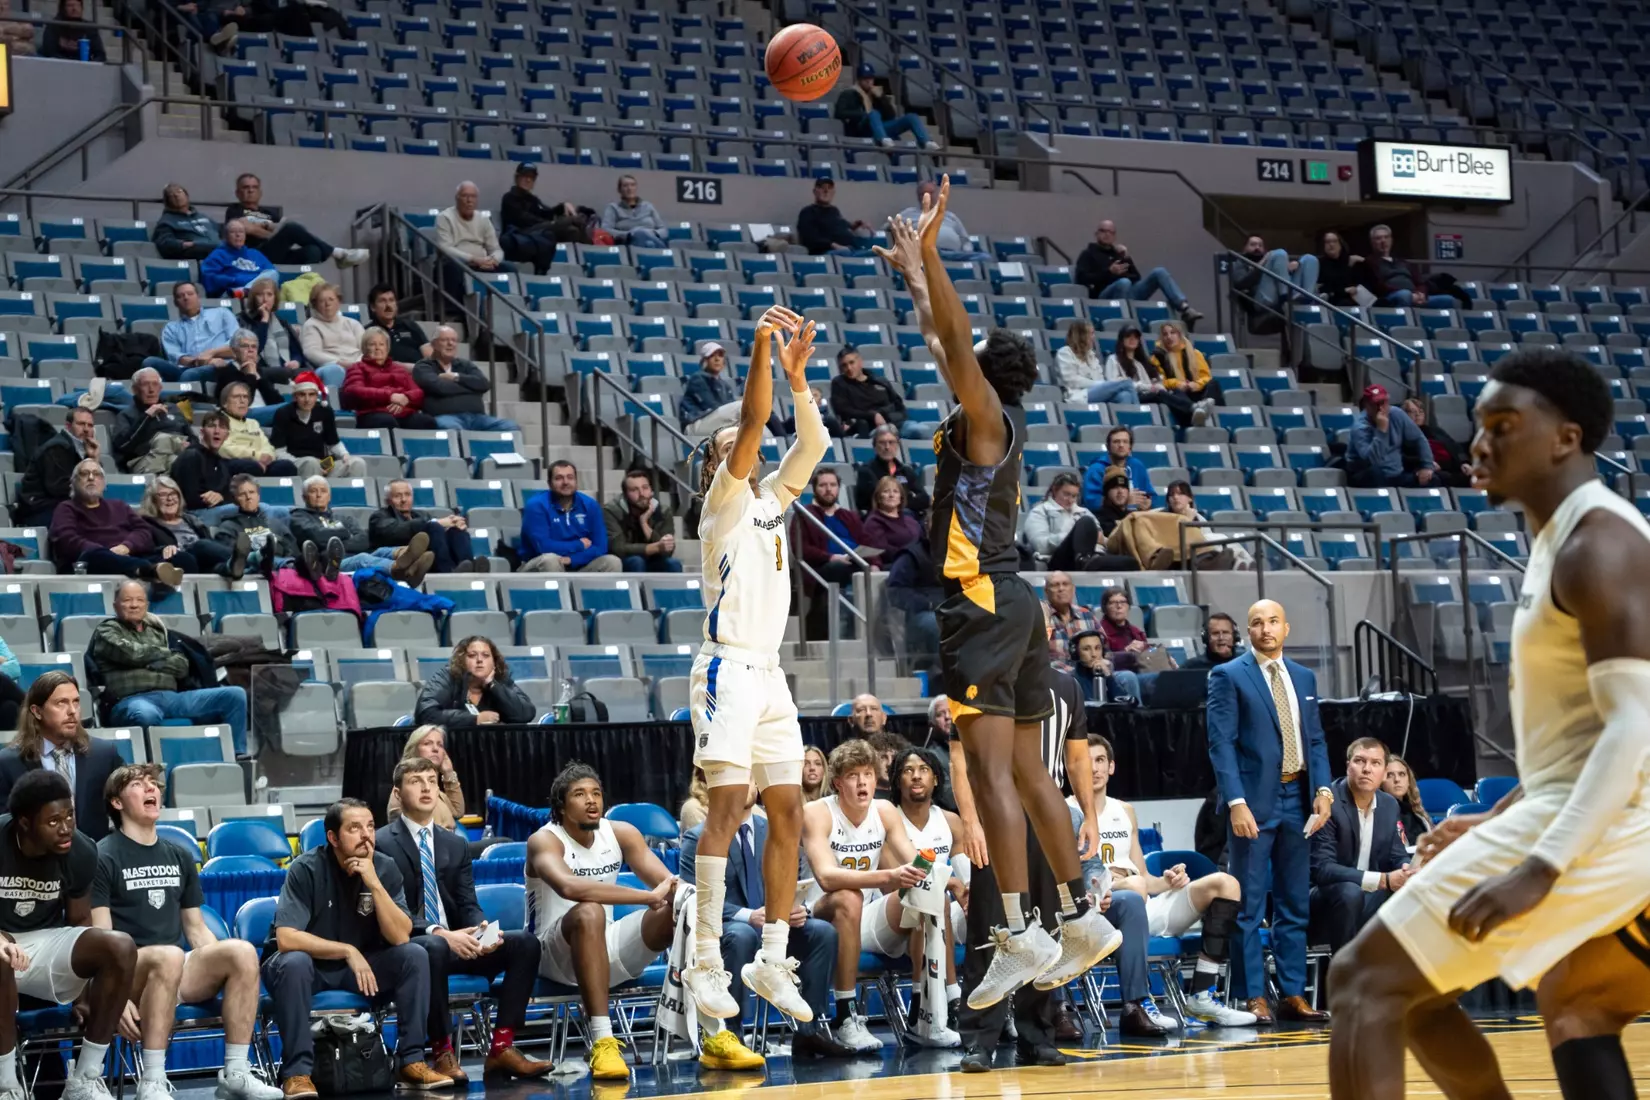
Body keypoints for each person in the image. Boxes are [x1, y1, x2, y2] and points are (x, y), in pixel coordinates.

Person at [1328, 349, 1650, 1100]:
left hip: (1613, 825)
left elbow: (1634, 727)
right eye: (1477, 426)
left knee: (1362, 984)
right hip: (1581, 810)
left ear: (1566, 438)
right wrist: (1493, 818)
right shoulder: (1560, 541)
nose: (1480, 443)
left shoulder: (1598, 543)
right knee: (1421, 996)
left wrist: (1540, 866)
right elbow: (1578, 738)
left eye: (1504, 425)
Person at [873, 183, 1117, 1009]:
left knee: (994, 773)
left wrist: (935, 256)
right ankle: (1079, 916)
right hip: (1013, 603)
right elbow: (947, 345)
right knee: (1026, 769)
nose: (957, 363)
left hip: (980, 601)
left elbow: (956, 353)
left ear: (992, 374)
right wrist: (916, 276)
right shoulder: (989, 419)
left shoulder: (988, 421)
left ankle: (1018, 931)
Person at [677, 305, 825, 1028]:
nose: (744, 442)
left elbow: (814, 439)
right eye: (730, 442)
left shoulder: (771, 500)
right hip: (726, 669)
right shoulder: (724, 502)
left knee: (789, 810)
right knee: (729, 810)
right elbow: (759, 422)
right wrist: (764, 345)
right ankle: (705, 956)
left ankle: (770, 953)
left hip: (769, 675)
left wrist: (800, 381)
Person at [90, 764, 283, 1100]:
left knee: (240, 951)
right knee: (168, 956)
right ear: (117, 803)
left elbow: (196, 929)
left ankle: (236, 1072)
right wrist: (113, 998)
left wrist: (223, 967)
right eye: (138, 784)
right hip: (128, 973)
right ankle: (151, 1081)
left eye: (154, 783)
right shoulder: (102, 855)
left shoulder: (178, 855)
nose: (151, 789)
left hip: (174, 967)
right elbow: (100, 938)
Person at [948, 668, 1102, 1070]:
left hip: (1048, 815)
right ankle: (979, 1039)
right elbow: (960, 757)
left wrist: (1089, 815)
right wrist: (970, 821)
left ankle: (1037, 1035)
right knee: (991, 926)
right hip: (996, 813)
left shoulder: (1067, 686)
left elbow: (1077, 755)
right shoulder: (978, 678)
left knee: (1050, 926)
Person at [262, 799, 454, 1097]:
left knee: (415, 954)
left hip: (363, 970)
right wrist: (348, 952)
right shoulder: (306, 868)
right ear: (333, 838)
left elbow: (401, 936)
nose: (366, 835)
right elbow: (287, 938)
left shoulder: (384, 867)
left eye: (370, 827)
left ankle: (410, 1061)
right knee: (294, 961)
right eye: (354, 828)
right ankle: (297, 1073)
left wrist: (374, 883)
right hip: (308, 968)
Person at [378, 758, 551, 1084]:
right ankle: (442, 1050)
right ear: (398, 794)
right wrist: (443, 934)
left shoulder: (454, 844)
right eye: (417, 781)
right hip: (412, 948)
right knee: (432, 948)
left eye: (432, 780)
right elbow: (392, 912)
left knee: (524, 943)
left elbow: (467, 903)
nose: (427, 787)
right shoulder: (381, 844)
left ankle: (502, 1047)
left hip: (459, 942)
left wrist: (483, 930)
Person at [1206, 599, 1334, 1025]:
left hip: (1299, 797)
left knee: (1295, 902)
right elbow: (1220, 743)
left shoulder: (1303, 676)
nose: (1266, 629)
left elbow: (1314, 739)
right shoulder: (1228, 675)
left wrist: (1323, 790)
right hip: (1254, 804)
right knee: (1249, 904)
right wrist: (1236, 802)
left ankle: (1293, 994)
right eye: (1257, 623)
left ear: (1287, 628)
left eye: (1273, 621)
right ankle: (1252, 995)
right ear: (1248, 631)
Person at [526, 764, 697, 1080]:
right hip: (553, 956)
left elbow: (669, 886)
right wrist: (647, 897)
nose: (591, 801)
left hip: (605, 948)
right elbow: (570, 888)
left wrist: (689, 896)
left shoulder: (621, 832)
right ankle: (603, 1041)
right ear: (561, 806)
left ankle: (707, 1029)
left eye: (596, 793)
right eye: (580, 794)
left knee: (681, 905)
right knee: (589, 911)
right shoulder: (545, 840)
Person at [1083, 734, 1258, 1026]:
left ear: (1112, 767)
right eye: (1086, 762)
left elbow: (1144, 878)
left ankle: (1202, 994)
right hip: (1098, 910)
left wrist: (1167, 881)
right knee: (1132, 892)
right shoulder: (1067, 809)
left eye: (1100, 760)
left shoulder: (1124, 810)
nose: (1095, 769)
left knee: (1226, 883)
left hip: (1139, 903)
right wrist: (1118, 883)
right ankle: (1139, 1002)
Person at [680, 782, 850, 1059]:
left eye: (750, 777)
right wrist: (750, 916)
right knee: (742, 934)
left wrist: (799, 908)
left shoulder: (774, 832)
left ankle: (809, 1030)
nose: (744, 784)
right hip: (726, 930)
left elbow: (794, 882)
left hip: (774, 928)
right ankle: (730, 1033)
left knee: (822, 932)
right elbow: (694, 897)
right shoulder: (697, 837)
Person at [0, 768, 134, 1100]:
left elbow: (78, 923)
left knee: (119, 946)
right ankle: (7, 1084)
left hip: (43, 942)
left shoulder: (81, 850)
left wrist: (84, 992)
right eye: (53, 821)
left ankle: (85, 1077)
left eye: (70, 815)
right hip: (2, 940)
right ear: (25, 823)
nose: (66, 828)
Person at [799, 739, 927, 1053]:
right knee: (848, 895)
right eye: (854, 775)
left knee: (920, 897)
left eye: (868, 774)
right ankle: (845, 1016)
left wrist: (931, 872)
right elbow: (827, 878)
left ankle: (924, 1011)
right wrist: (889, 876)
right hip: (817, 915)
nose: (862, 782)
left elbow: (915, 860)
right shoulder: (816, 813)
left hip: (864, 917)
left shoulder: (884, 811)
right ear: (838, 783)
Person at [92, 581, 250, 756]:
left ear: (147, 605)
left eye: (139, 600)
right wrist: (162, 655)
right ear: (115, 605)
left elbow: (182, 665)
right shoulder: (106, 631)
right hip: (131, 701)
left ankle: (237, 756)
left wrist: (149, 659)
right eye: (127, 600)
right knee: (145, 714)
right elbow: (129, 653)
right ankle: (153, 764)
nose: (134, 605)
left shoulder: (158, 631)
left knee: (234, 695)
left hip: (172, 699)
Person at [879, 747, 969, 1045]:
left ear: (935, 779)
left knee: (988, 908)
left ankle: (999, 1009)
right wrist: (950, 885)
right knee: (928, 899)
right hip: (896, 914)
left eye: (923, 769)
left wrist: (971, 896)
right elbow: (895, 886)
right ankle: (951, 998)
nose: (916, 775)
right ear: (897, 780)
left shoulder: (950, 821)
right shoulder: (888, 820)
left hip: (939, 915)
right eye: (907, 770)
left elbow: (965, 880)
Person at [1310, 737, 1412, 955]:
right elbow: (1322, 869)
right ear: (1348, 766)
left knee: (1413, 893)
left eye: (1375, 763)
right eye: (1359, 761)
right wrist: (1383, 880)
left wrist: (1407, 870)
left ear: (1384, 773)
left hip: (1368, 897)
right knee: (1351, 892)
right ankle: (1345, 976)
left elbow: (1397, 855)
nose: (1367, 769)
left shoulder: (1389, 805)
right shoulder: (1328, 803)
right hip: (1323, 901)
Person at [0, 672, 125, 841]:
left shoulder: (104, 754)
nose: (72, 711)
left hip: (94, 859)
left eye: (76, 702)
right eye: (61, 703)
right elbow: (6, 828)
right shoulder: (8, 762)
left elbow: (124, 810)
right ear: (37, 712)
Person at [50, 460, 186, 586]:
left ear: (104, 484)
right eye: (84, 474)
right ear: (73, 483)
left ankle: (158, 577)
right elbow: (67, 540)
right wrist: (108, 553)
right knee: (92, 555)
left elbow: (144, 530)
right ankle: (148, 570)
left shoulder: (119, 506)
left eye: (97, 474)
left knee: (182, 558)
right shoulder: (66, 508)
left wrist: (126, 546)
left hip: (129, 555)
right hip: (94, 562)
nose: (91, 478)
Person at [224, 172, 368, 269]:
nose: (250, 190)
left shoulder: (269, 212)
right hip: (255, 257)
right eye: (246, 187)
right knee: (291, 229)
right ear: (238, 192)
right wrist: (273, 230)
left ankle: (302, 286)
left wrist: (264, 228)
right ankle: (337, 254)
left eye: (254, 187)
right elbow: (247, 228)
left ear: (260, 192)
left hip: (277, 255)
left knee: (313, 251)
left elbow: (280, 228)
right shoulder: (234, 210)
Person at [1073, 219, 1202, 326]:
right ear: (1096, 234)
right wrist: (1109, 272)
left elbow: (1136, 278)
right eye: (1103, 231)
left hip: (1129, 293)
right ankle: (1125, 321)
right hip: (1104, 297)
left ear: (1114, 236)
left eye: (1110, 232)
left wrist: (1127, 258)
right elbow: (1082, 278)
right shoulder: (1088, 254)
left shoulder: (1118, 254)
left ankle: (1184, 308)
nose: (1107, 234)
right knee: (1123, 282)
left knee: (1159, 272)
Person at [291, 476, 422, 578]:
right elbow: (316, 537)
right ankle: (399, 570)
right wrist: (346, 533)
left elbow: (364, 540)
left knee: (381, 551)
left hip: (357, 554)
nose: (319, 495)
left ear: (329, 496)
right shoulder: (298, 517)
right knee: (363, 559)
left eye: (323, 491)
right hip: (331, 563)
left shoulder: (343, 518)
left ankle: (408, 556)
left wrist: (335, 543)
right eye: (313, 491)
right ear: (304, 497)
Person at [520, 460, 622, 573]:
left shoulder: (590, 505)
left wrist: (572, 560)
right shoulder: (537, 505)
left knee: (612, 562)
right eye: (559, 478)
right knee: (550, 560)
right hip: (537, 565)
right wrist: (579, 544)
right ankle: (557, 591)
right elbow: (543, 547)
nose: (565, 482)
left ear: (576, 481)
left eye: (570, 477)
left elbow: (600, 547)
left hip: (578, 565)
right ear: (549, 483)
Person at [411, 326, 517, 433]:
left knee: (510, 427)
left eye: (453, 340)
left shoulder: (465, 364)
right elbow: (439, 387)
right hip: (446, 417)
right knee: (453, 430)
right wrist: (471, 388)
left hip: (477, 418)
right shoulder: (423, 366)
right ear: (433, 344)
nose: (450, 343)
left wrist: (457, 377)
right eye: (445, 340)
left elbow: (484, 384)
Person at [414, 636, 535, 730]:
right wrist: (475, 719)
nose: (479, 660)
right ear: (461, 661)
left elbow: (525, 714)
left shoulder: (501, 681)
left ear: (494, 662)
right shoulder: (447, 677)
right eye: (472, 655)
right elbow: (425, 713)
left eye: (486, 655)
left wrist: (494, 686)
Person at [171, 412, 271, 521]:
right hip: (194, 515)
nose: (217, 431)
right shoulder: (191, 455)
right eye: (212, 426)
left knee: (275, 509)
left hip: (216, 510)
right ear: (202, 431)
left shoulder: (221, 463)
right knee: (263, 509)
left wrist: (221, 497)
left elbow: (228, 493)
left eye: (222, 427)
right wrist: (212, 499)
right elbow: (188, 498)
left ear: (227, 435)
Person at [369, 479, 482, 575]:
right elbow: (394, 531)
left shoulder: (421, 515)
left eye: (407, 495)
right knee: (434, 527)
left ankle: (469, 567)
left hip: (429, 555)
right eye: (398, 496)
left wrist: (453, 524)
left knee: (456, 531)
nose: (404, 500)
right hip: (405, 559)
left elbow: (436, 532)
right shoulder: (379, 516)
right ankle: (447, 572)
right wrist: (436, 523)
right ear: (387, 501)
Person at [139, 476, 242, 578]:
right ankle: (245, 559)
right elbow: (144, 551)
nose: (170, 499)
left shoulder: (191, 520)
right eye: (162, 495)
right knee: (200, 545)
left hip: (204, 565)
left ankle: (236, 564)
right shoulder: (146, 524)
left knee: (219, 565)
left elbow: (211, 546)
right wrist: (162, 549)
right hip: (181, 564)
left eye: (173, 493)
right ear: (152, 500)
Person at [15, 405, 100, 526]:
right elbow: (58, 488)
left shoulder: (83, 449)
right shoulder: (57, 447)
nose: (86, 429)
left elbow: (94, 484)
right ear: (68, 426)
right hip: (39, 509)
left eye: (90, 425)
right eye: (81, 424)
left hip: (60, 506)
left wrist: (93, 458)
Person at [140, 281, 237, 384]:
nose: (186, 298)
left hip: (219, 366)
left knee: (189, 375)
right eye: (180, 296)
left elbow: (237, 346)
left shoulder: (222, 314)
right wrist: (203, 361)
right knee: (150, 362)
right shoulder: (171, 328)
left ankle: (177, 396)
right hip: (188, 367)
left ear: (198, 297)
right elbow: (178, 358)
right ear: (175, 302)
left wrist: (212, 353)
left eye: (190, 294)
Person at [342, 328, 437, 430]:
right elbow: (354, 390)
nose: (377, 348)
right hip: (372, 413)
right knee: (387, 421)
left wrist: (406, 398)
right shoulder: (357, 367)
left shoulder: (399, 369)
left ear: (387, 348)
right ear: (365, 348)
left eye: (381, 344)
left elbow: (418, 392)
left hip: (403, 412)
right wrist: (390, 396)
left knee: (427, 421)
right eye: (372, 344)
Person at [270, 381, 367, 479]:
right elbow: (278, 451)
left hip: (322, 463)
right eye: (302, 395)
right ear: (295, 397)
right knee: (311, 462)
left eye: (311, 395)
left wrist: (345, 455)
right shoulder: (283, 413)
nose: (307, 399)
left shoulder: (324, 411)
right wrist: (302, 462)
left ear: (317, 396)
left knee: (357, 463)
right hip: (296, 462)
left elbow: (333, 443)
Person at [438, 181, 516, 299]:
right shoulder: (445, 217)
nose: (469, 200)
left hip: (482, 264)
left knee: (509, 268)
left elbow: (496, 249)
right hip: (459, 263)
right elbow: (445, 248)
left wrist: (493, 260)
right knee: (453, 268)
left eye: (473, 196)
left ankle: (511, 303)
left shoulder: (483, 219)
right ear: (457, 198)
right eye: (465, 196)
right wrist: (473, 259)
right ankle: (459, 309)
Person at [1348, 383, 1436, 489]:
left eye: (1383, 403)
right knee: (1376, 473)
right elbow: (1372, 460)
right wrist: (1381, 431)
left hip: (1396, 475)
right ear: (1367, 406)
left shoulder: (1396, 414)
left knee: (1433, 480)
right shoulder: (1360, 427)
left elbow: (1419, 439)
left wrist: (1426, 466)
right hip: (1366, 474)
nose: (1381, 408)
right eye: (1376, 404)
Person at [834, 62, 940, 150]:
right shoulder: (848, 93)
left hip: (880, 127)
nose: (868, 81)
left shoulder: (877, 94)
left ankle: (926, 142)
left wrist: (881, 98)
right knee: (874, 114)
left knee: (911, 117)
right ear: (859, 79)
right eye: (865, 78)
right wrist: (863, 115)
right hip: (861, 128)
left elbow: (891, 115)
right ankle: (883, 139)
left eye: (870, 78)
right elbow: (839, 112)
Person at [111, 369, 194, 476]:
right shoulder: (126, 414)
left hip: (175, 456)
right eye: (145, 384)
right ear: (135, 389)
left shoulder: (173, 409)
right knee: (163, 442)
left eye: (155, 384)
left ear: (160, 388)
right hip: (145, 461)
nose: (151, 390)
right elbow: (122, 445)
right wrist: (147, 416)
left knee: (183, 463)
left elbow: (192, 437)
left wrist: (189, 446)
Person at [1109, 323, 1195, 427]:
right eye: (1128, 336)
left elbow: (1153, 381)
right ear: (1121, 340)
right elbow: (1113, 382)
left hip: (1148, 393)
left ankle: (1193, 411)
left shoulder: (1140, 363)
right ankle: (1193, 409)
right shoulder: (1113, 359)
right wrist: (1150, 387)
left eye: (1135, 337)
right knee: (1159, 394)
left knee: (1176, 391)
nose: (1132, 339)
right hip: (1135, 396)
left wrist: (1157, 385)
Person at [1024, 474, 1114, 571]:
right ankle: (1083, 559)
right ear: (1055, 490)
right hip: (1059, 561)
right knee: (1085, 522)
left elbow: (1101, 539)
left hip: (1095, 556)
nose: (1071, 500)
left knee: (1129, 562)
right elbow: (1041, 545)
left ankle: (1088, 561)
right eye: (1066, 494)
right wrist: (1074, 536)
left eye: (1074, 496)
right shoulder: (1040, 511)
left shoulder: (1084, 512)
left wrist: (1106, 541)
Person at [211, 475, 296, 573]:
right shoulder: (228, 526)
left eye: (252, 492)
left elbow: (292, 550)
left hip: (284, 571)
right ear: (235, 499)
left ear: (258, 496)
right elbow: (233, 557)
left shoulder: (275, 523)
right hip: (254, 570)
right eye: (242, 494)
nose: (248, 497)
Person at [1361, 224, 1457, 309]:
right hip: (1391, 297)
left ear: (1391, 240)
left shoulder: (1404, 262)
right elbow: (1378, 286)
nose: (1383, 241)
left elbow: (1420, 282)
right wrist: (1410, 294)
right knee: (1404, 295)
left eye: (1386, 237)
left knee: (1448, 300)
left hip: (1414, 295)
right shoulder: (1370, 262)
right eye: (1379, 238)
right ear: (1372, 242)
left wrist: (1420, 293)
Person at [601, 469, 680, 573]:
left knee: (673, 564)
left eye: (645, 488)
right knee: (637, 561)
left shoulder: (663, 511)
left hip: (653, 560)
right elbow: (618, 549)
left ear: (651, 490)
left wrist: (644, 524)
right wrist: (655, 547)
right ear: (625, 495)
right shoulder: (612, 511)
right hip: (625, 562)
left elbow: (667, 551)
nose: (642, 493)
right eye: (634, 490)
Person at [385, 725, 464, 829]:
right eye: (427, 743)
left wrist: (448, 772)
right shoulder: (407, 787)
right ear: (414, 750)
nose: (435, 749)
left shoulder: (436, 791)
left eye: (440, 745)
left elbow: (458, 812)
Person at [831, 346, 915, 439]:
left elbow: (898, 404)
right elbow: (844, 410)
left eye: (852, 363)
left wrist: (884, 415)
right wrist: (873, 415)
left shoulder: (880, 381)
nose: (849, 368)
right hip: (872, 428)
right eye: (844, 365)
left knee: (921, 430)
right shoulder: (839, 384)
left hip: (895, 424)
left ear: (860, 362)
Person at [218, 381, 300, 473]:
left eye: (245, 397)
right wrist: (256, 456)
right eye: (236, 397)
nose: (242, 401)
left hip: (259, 462)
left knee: (287, 466)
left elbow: (267, 446)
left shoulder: (253, 423)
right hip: (233, 462)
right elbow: (223, 448)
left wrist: (267, 457)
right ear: (225, 403)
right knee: (251, 466)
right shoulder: (219, 421)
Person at [895, 181, 988, 261]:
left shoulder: (950, 216)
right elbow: (888, 227)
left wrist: (966, 252)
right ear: (919, 197)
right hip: (928, 253)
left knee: (985, 257)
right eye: (924, 193)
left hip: (955, 254)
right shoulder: (908, 214)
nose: (929, 196)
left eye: (932, 193)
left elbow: (965, 240)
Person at [296, 282, 359, 399]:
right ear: (315, 304)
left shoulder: (353, 323)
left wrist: (358, 364)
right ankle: (334, 408)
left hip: (356, 364)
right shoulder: (311, 325)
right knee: (335, 370)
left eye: (331, 299)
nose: (327, 304)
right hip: (329, 366)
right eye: (322, 301)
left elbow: (366, 348)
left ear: (338, 302)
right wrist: (338, 362)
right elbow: (311, 352)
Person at [214, 330, 292, 424]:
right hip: (244, 416)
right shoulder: (227, 372)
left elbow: (277, 401)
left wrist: (258, 377)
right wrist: (251, 375)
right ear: (234, 351)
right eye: (245, 346)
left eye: (254, 347)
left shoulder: (259, 371)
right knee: (291, 409)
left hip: (265, 413)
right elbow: (243, 403)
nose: (251, 350)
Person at [1151, 320, 1221, 425]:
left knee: (1213, 383)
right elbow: (1160, 382)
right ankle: (1195, 410)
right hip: (1179, 394)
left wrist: (1196, 385)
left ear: (1180, 334)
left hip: (1196, 391)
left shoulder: (1195, 354)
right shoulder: (1157, 357)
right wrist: (1177, 383)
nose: (1169, 337)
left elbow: (1206, 377)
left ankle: (1203, 409)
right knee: (1172, 392)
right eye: (1165, 334)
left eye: (1173, 332)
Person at [852, 424, 931, 515]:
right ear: (874, 447)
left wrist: (899, 503)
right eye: (882, 442)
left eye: (891, 442)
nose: (887, 447)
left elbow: (924, 499)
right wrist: (909, 498)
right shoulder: (866, 471)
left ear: (897, 445)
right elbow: (878, 501)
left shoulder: (906, 471)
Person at [237, 275, 306, 379]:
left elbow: (296, 351)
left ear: (275, 298)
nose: (265, 299)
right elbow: (255, 348)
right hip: (259, 369)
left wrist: (296, 361)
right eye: (260, 295)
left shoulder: (281, 322)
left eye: (269, 294)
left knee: (309, 373)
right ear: (253, 298)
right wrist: (264, 320)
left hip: (286, 369)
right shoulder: (244, 320)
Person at [1230, 234, 1320, 312]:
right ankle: (1287, 297)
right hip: (1260, 298)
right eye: (1253, 245)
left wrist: (1291, 268)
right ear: (1244, 248)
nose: (1257, 247)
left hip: (1279, 292)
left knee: (1310, 259)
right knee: (1279, 253)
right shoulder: (1240, 262)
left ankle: (1309, 297)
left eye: (1260, 245)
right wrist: (1263, 263)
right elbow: (1240, 284)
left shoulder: (1271, 261)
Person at [1081, 425, 1157, 512]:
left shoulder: (1137, 465)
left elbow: (1151, 495)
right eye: (1116, 442)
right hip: (1107, 520)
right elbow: (1092, 503)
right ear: (1108, 447)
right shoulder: (1096, 469)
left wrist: (1148, 502)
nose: (1121, 445)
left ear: (1130, 447)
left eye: (1125, 442)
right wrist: (1124, 501)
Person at [1403, 397, 1475, 488]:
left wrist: (1464, 463)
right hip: (1428, 468)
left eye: (1420, 411)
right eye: (1413, 412)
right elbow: (1404, 457)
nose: (1418, 415)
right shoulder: (1403, 435)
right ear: (1404, 415)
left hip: (1451, 466)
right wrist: (1427, 464)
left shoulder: (1436, 431)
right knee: (1438, 478)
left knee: (1475, 476)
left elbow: (1455, 447)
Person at [1056, 320, 1131, 405]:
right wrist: (1098, 384)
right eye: (1091, 334)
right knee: (1126, 382)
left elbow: (1100, 378)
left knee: (1125, 395)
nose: (1093, 337)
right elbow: (1072, 380)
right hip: (1078, 395)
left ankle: (1130, 417)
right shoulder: (1065, 352)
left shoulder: (1091, 355)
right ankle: (1140, 415)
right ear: (1081, 336)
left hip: (1097, 392)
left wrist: (1101, 385)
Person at [679, 341, 744, 436]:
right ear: (704, 361)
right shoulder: (697, 379)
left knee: (754, 423)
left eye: (720, 355)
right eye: (712, 356)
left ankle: (771, 442)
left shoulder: (725, 385)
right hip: (696, 425)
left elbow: (727, 409)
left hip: (716, 423)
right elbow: (712, 406)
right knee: (743, 407)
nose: (717, 359)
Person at [200, 220, 278, 298]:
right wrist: (233, 280)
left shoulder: (255, 253)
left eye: (241, 232)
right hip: (232, 293)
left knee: (273, 273)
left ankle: (246, 290)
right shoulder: (218, 254)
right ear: (226, 236)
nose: (238, 235)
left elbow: (270, 273)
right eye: (233, 232)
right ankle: (247, 291)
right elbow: (208, 277)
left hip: (257, 293)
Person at [797, 177, 872, 256]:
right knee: (845, 252)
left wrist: (858, 224)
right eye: (822, 188)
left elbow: (842, 226)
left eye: (829, 188)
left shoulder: (834, 211)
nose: (826, 191)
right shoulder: (807, 212)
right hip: (827, 253)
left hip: (850, 249)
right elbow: (809, 238)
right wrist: (834, 245)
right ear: (815, 191)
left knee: (878, 252)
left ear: (833, 193)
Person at [1041, 572, 1099, 668]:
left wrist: (1105, 663)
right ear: (1046, 592)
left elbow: (1105, 649)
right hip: (1054, 674)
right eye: (1055, 585)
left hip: (1089, 671)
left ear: (1073, 589)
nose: (1061, 589)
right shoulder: (1039, 617)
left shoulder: (1086, 615)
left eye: (1065, 584)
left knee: (1127, 676)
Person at [365, 284, 432, 365]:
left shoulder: (410, 326)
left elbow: (430, 356)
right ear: (373, 307)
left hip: (418, 373)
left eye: (391, 300)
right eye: (383, 301)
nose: (388, 305)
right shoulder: (368, 332)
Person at [1068, 630, 1139, 704]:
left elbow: (1127, 704)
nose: (1094, 654)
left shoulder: (1105, 675)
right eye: (1086, 649)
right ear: (1075, 652)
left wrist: (1108, 677)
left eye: (1097, 648)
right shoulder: (1071, 681)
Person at [599, 174, 668, 249]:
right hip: (628, 244)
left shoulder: (648, 206)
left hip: (651, 241)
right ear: (619, 190)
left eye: (632, 185)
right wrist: (628, 234)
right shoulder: (613, 208)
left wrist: (652, 233)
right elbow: (605, 230)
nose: (629, 188)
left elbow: (663, 230)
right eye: (625, 186)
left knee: (646, 240)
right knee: (640, 235)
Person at [151, 183, 217, 261]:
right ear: (167, 201)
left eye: (179, 192)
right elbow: (165, 243)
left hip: (221, 252)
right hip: (198, 256)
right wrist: (184, 245)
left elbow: (221, 234)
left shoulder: (204, 217)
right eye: (171, 195)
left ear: (187, 196)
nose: (176, 195)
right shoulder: (166, 221)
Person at [860, 476, 923, 558]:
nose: (891, 495)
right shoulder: (873, 522)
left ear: (901, 498)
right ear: (878, 498)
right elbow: (883, 550)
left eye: (895, 491)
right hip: (894, 565)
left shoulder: (910, 520)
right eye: (886, 491)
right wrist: (911, 555)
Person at [1381, 754, 1433, 847]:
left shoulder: (1417, 813)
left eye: (1402, 774)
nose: (1397, 780)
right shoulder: (1377, 815)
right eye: (1389, 775)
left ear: (1409, 780)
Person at [1314, 230, 1361, 308]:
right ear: (1323, 245)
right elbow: (1323, 288)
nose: (1331, 244)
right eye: (1328, 242)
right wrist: (1344, 290)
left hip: (1353, 301)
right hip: (1331, 301)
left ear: (1340, 244)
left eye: (1335, 241)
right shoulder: (1319, 264)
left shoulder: (1350, 261)